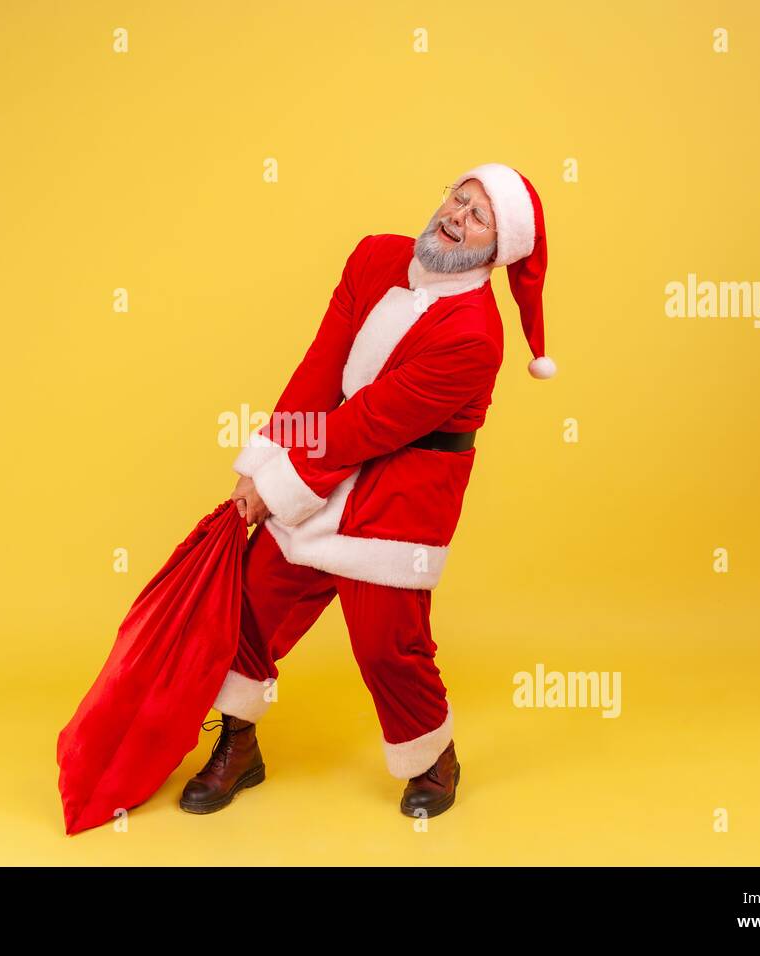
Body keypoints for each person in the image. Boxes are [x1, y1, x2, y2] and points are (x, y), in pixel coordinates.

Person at [181, 163, 555, 819]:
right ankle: (239, 746)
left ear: (497, 250)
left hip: (400, 495)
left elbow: (369, 424)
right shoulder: (375, 257)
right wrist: (262, 457)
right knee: (247, 607)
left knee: (388, 647)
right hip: (323, 456)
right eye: (458, 198)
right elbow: (321, 368)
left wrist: (275, 484)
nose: (457, 216)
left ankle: (432, 759)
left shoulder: (473, 336)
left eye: (478, 217)